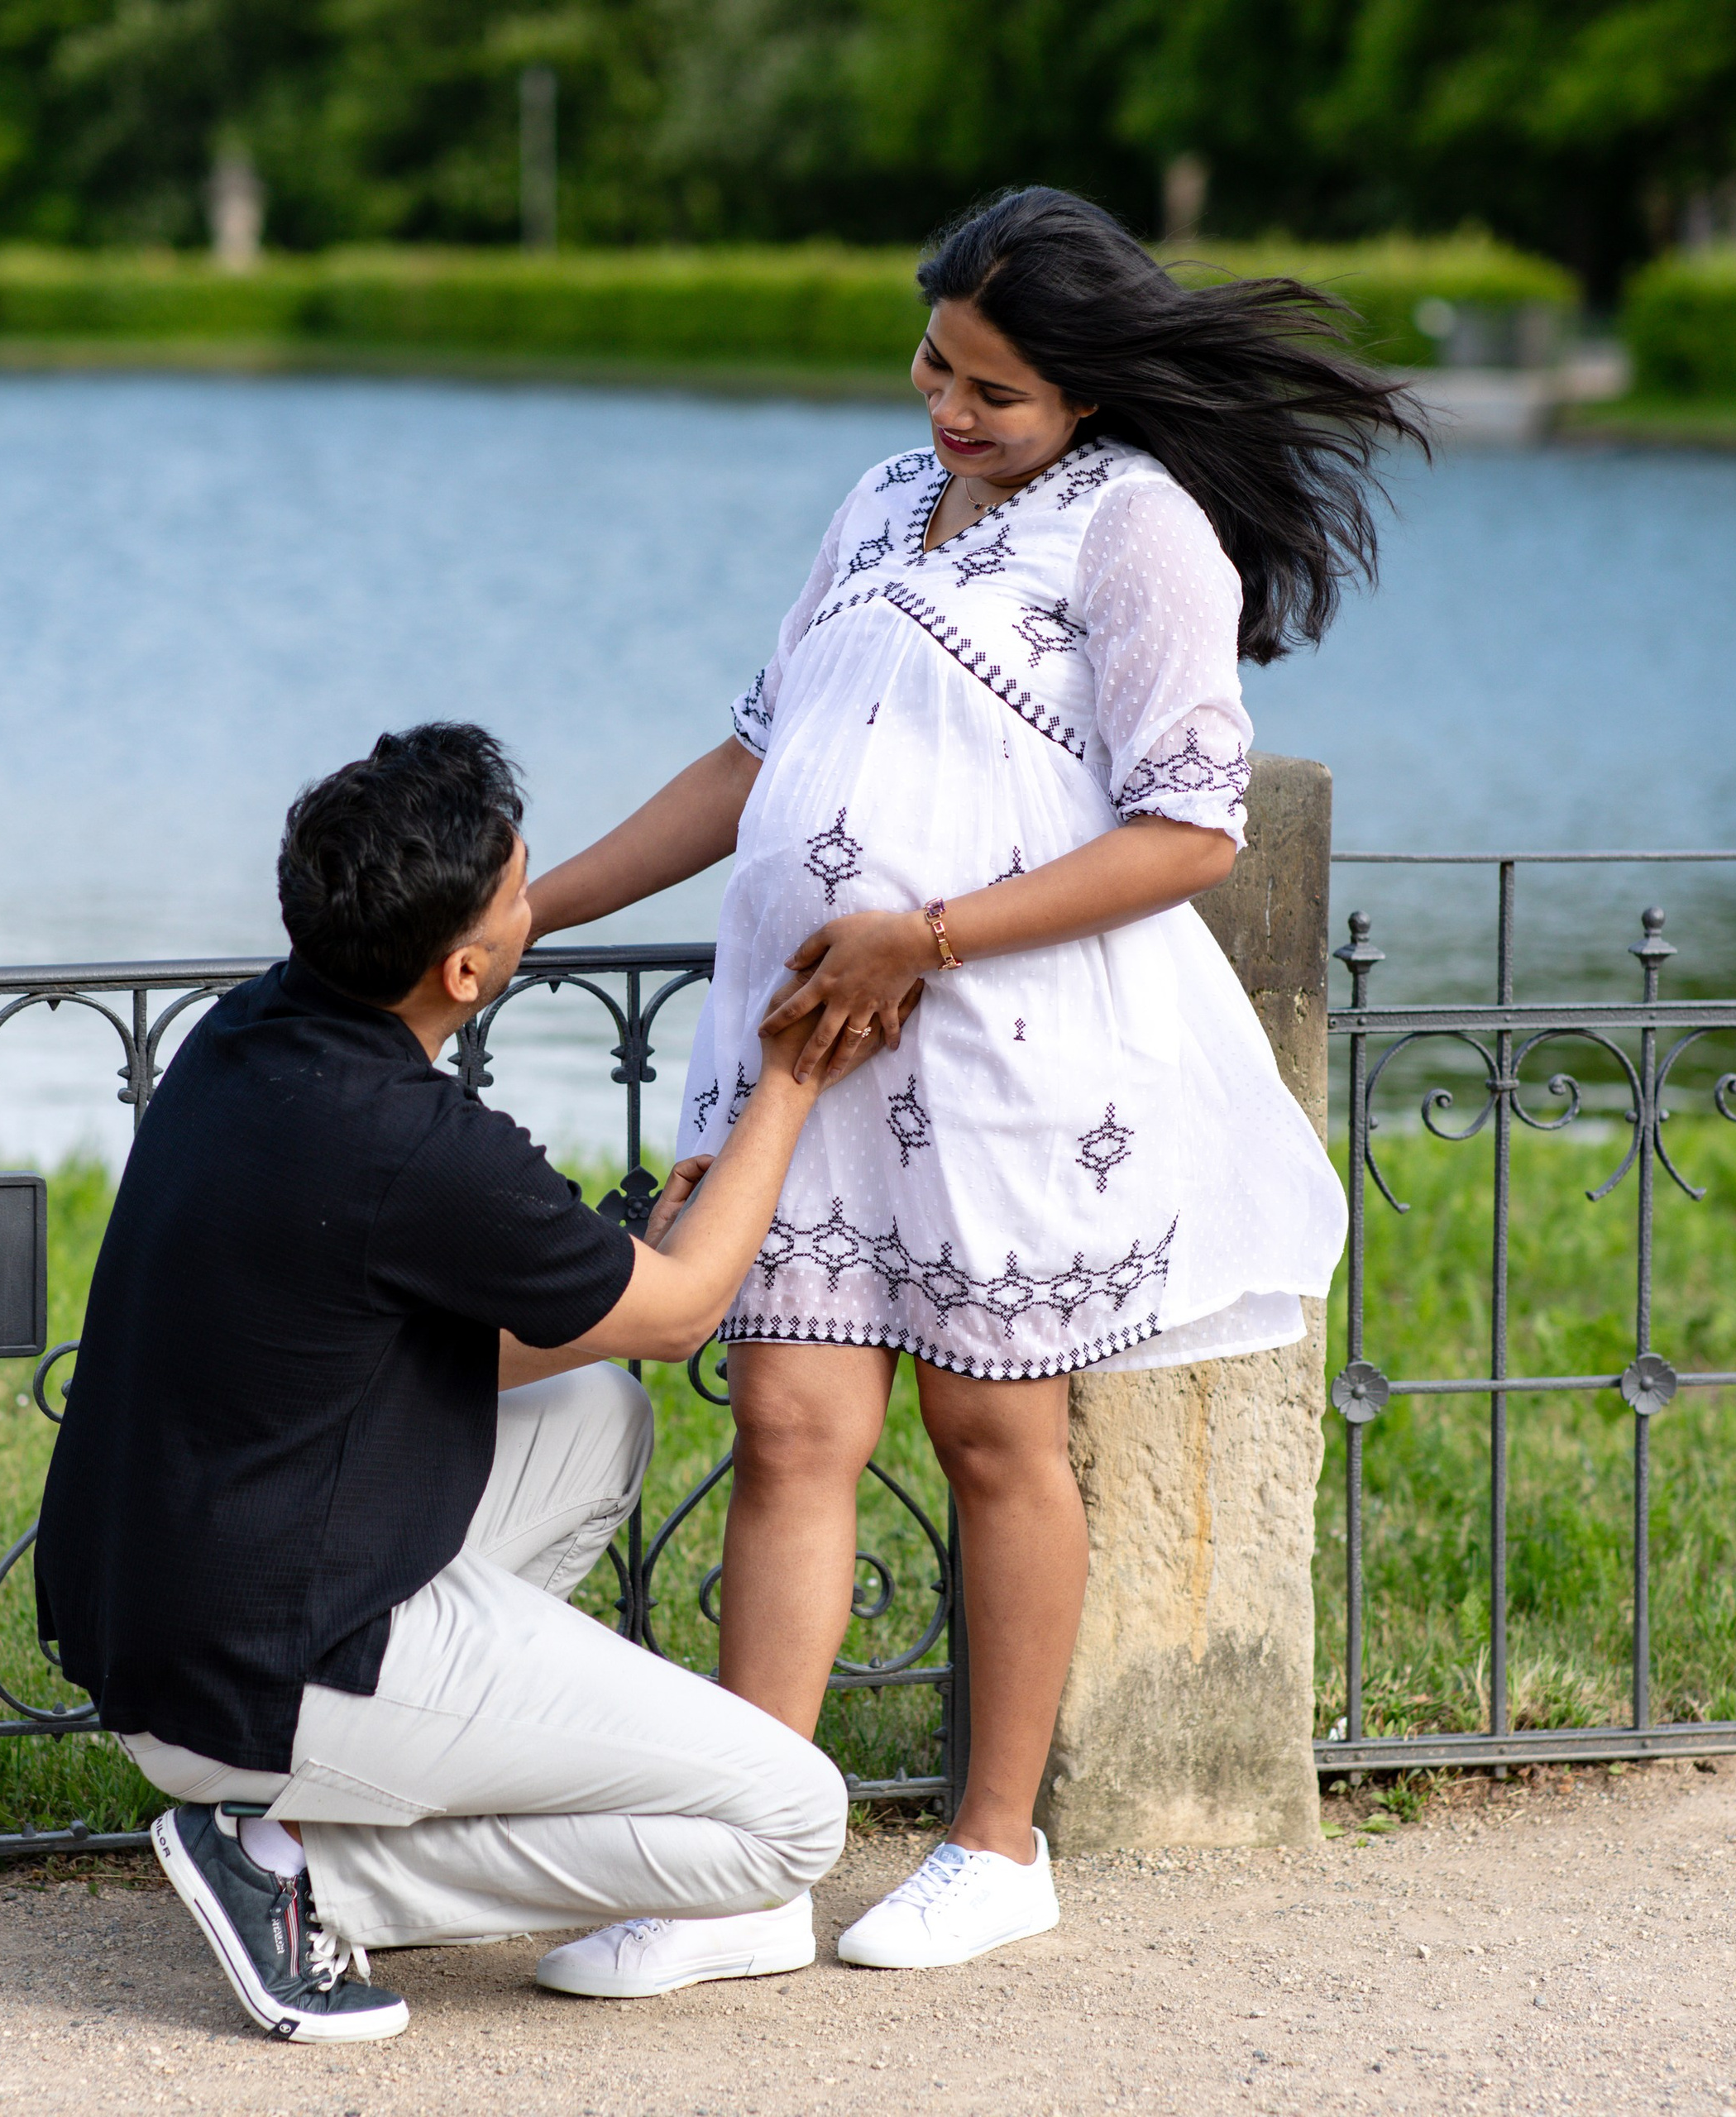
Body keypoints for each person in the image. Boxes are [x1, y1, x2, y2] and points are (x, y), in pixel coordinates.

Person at [525, 188, 1423, 1973]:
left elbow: (1184, 831)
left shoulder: (1139, 531)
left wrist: (916, 936)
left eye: (990, 389)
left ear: (1083, 392)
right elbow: (754, 750)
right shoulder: (873, 499)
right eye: (933, 360)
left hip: (1005, 1054)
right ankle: (750, 1869)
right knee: (786, 1425)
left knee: (993, 1432)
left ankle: (996, 1844)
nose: (945, 406)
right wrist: (531, 909)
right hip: (802, 1056)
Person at [34, 724, 910, 2041]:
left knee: (591, 1412)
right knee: (788, 1818)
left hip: (160, 1614)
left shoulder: (249, 1033)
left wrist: (623, 1266)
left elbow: (513, 1329)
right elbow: (677, 1320)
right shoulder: (418, 1147)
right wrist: (786, 1085)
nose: (532, 905)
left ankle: (339, 1784)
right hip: (263, 1660)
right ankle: (298, 1868)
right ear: (466, 967)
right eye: (520, 895)